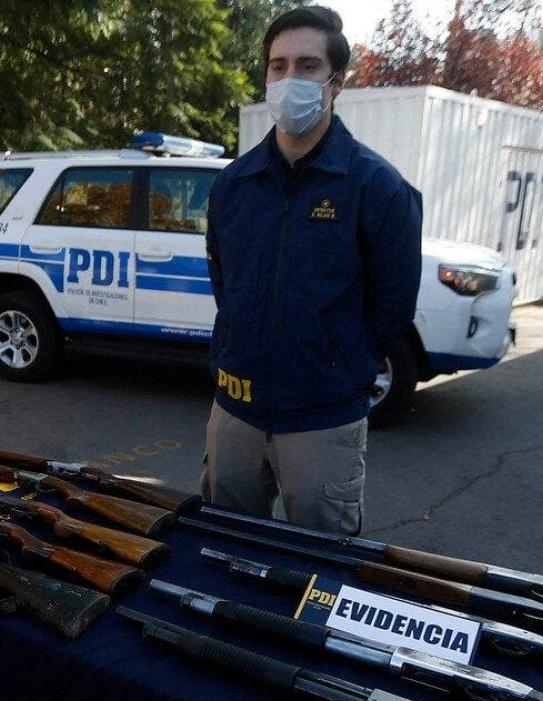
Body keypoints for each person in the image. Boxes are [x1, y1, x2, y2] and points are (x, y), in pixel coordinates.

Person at [201, 5, 422, 534]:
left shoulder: (377, 188)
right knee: (221, 550)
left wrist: (340, 367)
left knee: (320, 566)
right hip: (235, 410)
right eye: (278, 66)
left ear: (336, 82)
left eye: (307, 66)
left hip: (323, 420)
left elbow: (392, 308)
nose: (289, 79)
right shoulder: (233, 186)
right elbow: (225, 285)